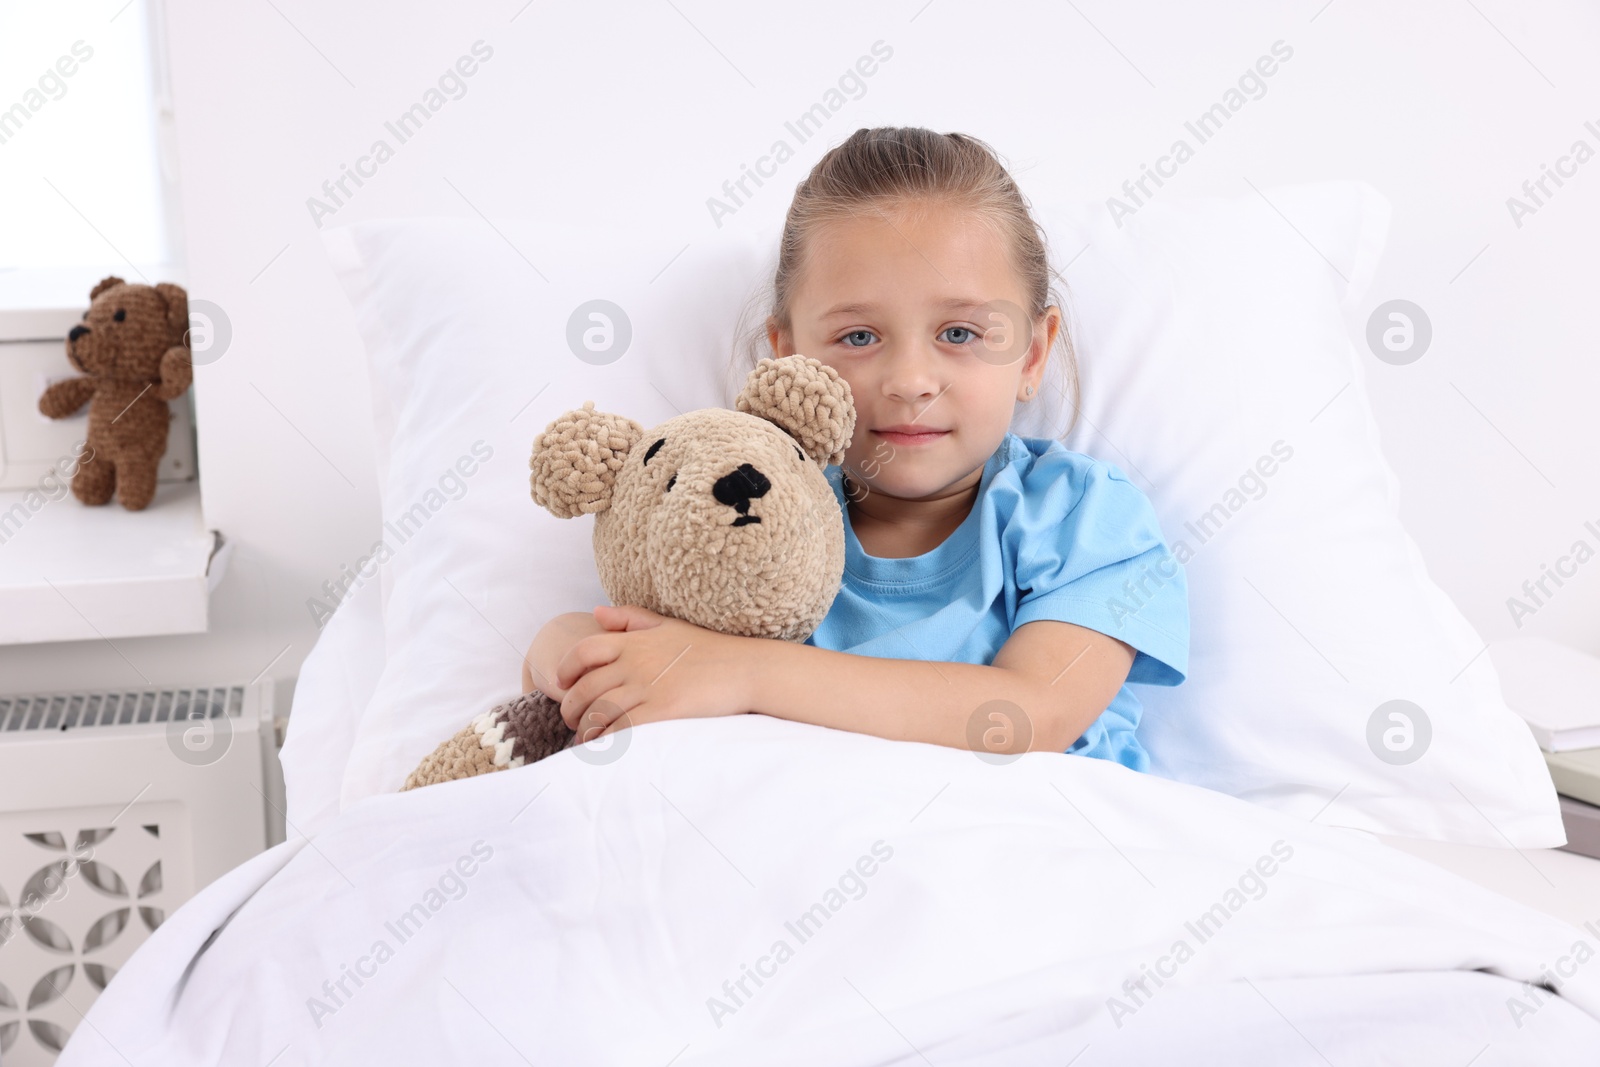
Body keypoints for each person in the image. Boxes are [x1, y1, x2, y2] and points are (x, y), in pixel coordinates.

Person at [524, 126, 1188, 768]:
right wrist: (570, 649)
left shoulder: (1082, 516)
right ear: (787, 354)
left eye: (959, 333)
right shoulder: (757, 513)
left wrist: (746, 673)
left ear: (1032, 353)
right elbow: (631, 644)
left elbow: (1030, 712)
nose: (909, 382)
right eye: (860, 338)